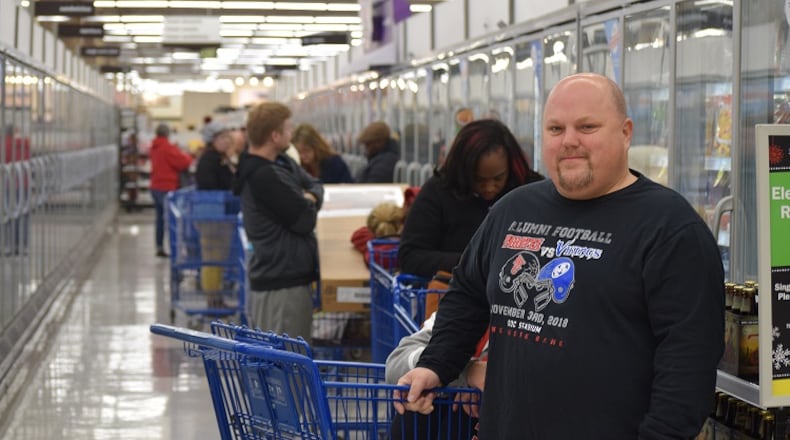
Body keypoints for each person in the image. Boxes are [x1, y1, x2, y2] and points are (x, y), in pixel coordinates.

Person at [394, 73, 725, 439]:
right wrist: (435, 365)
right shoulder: (512, 210)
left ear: (626, 132)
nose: (570, 141)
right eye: (555, 129)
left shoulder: (671, 229)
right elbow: (467, 296)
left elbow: (687, 362)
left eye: (587, 126)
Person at [398, 118, 544, 279]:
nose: (489, 187)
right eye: (478, 180)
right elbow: (410, 256)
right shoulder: (439, 192)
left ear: (510, 167)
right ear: (462, 171)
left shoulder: (532, 191)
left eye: (498, 178)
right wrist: (476, 263)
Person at [232, 102, 324, 340]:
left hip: (282, 277)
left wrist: (309, 196)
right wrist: (308, 201)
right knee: (286, 364)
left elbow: (314, 185)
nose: (291, 134)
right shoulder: (264, 176)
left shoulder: (280, 163)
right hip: (282, 282)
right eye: (288, 129)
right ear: (275, 135)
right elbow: (304, 219)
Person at [194, 121, 237, 308]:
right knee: (212, 260)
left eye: (228, 136)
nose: (228, 140)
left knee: (216, 260)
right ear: (213, 140)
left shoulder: (219, 158)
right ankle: (212, 300)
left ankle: (216, 297)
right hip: (213, 217)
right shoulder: (210, 160)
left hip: (219, 215)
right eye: (223, 137)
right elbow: (217, 185)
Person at [149, 122, 192, 258]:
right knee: (172, 220)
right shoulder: (167, 148)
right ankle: (175, 249)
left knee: (160, 219)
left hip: (155, 186)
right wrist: (187, 155)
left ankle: (159, 246)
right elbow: (183, 162)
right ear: (168, 134)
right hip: (167, 188)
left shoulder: (154, 147)